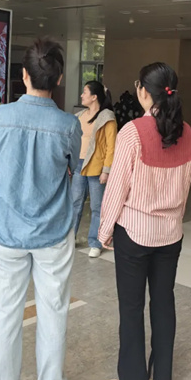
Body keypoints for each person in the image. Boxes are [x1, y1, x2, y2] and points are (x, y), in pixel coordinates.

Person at [0, 38, 82, 380]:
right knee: (53, 312)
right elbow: (74, 167)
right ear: (58, 79)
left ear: (24, 75)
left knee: (5, 314)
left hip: (6, 228)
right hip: (53, 230)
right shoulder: (69, 124)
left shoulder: (0, 116)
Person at [98, 62, 191, 380]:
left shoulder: (132, 132)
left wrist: (104, 230)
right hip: (170, 234)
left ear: (143, 91)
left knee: (131, 308)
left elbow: (117, 188)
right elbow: (185, 187)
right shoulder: (187, 132)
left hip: (134, 233)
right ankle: (162, 379)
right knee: (164, 302)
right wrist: (174, 219)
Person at [72, 80, 117, 258]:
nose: (82, 95)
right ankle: (70, 238)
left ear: (94, 97)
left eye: (85, 92)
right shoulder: (79, 116)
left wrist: (107, 170)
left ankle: (96, 243)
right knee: (75, 204)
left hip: (97, 168)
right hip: (79, 165)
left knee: (97, 207)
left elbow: (111, 146)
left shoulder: (107, 117)